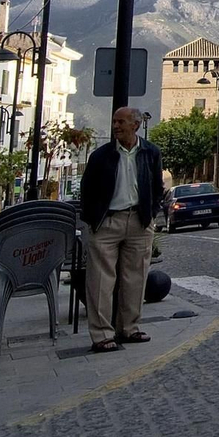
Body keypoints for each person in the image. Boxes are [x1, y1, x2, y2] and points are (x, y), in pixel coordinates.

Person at [79, 106, 165, 354]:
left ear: (135, 125)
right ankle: (102, 335)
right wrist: (94, 219)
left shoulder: (151, 152)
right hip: (107, 222)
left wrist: (151, 213)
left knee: (135, 278)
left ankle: (129, 328)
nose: (116, 126)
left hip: (139, 221)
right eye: (114, 121)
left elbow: (157, 186)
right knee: (100, 281)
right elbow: (87, 189)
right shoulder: (101, 155)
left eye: (121, 122)